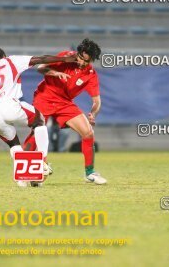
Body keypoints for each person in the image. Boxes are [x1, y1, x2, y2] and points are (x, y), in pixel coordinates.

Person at [0, 48, 76, 187]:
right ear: (3, 56)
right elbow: (41, 59)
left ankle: (22, 179)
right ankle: (42, 162)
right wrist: (64, 59)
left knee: (13, 144)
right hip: (9, 104)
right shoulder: (11, 60)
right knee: (40, 120)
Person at [23, 39, 107, 184]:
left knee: (88, 132)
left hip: (64, 103)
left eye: (86, 61)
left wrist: (93, 114)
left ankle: (90, 173)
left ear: (91, 60)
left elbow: (97, 101)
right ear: (79, 53)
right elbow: (41, 68)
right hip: (45, 97)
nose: (81, 62)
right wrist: (55, 73)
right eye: (80, 57)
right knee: (36, 133)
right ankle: (29, 172)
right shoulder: (66, 57)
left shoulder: (91, 74)